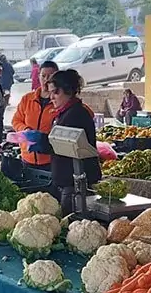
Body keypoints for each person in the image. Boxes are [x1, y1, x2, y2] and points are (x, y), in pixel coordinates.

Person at [26, 69, 102, 215]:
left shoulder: (76, 114)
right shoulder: (64, 113)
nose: (51, 98)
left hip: (76, 184)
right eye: (50, 93)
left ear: (68, 90)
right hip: (67, 181)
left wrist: (43, 142)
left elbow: (66, 144)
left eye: (56, 92)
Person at [12, 60, 58, 170]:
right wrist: (26, 130)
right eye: (43, 76)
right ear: (38, 76)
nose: (46, 79)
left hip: (51, 159)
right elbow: (16, 120)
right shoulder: (27, 99)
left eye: (50, 76)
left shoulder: (59, 101)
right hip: (27, 157)